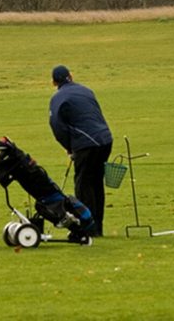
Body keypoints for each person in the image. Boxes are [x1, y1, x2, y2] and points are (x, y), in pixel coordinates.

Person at [48, 65, 113, 237]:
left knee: (83, 184)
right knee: (96, 182)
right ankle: (97, 227)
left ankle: (88, 227)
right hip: (105, 139)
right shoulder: (86, 90)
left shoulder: (57, 98)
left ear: (54, 82)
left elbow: (57, 126)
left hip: (86, 143)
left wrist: (69, 147)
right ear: (71, 76)